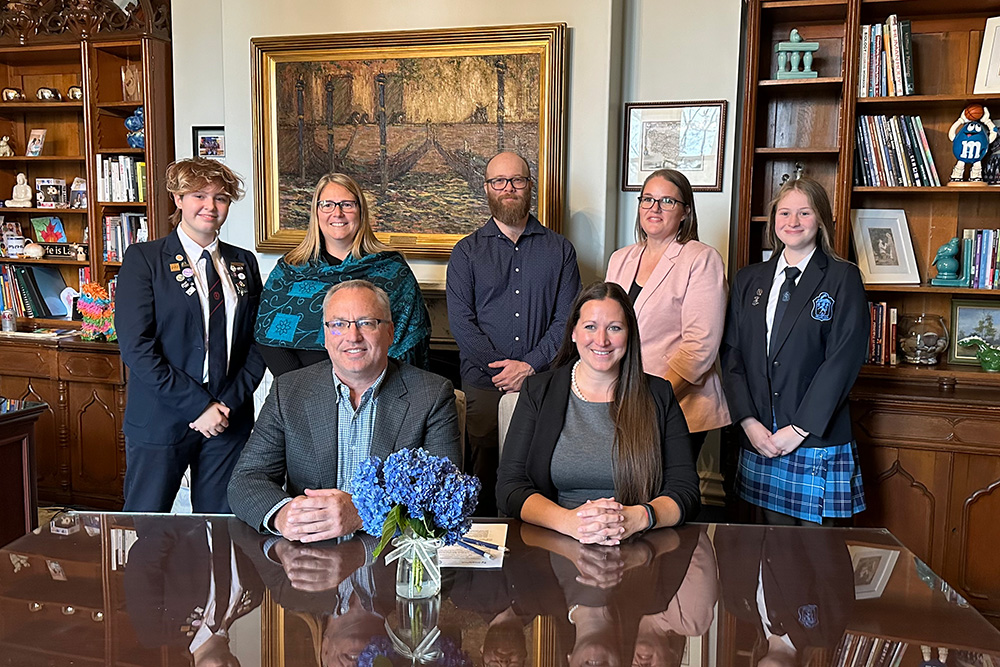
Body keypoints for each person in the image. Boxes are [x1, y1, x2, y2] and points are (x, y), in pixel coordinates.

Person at [229, 280, 462, 541]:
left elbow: (445, 494)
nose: (353, 337)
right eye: (339, 324)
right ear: (326, 336)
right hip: (310, 552)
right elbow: (247, 479)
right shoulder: (290, 390)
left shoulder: (431, 394)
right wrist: (283, 515)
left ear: (390, 333)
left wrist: (362, 513)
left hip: (391, 555)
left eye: (367, 322)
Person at [496, 281, 700, 544]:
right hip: (556, 542)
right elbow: (509, 486)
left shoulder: (658, 394)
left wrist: (638, 518)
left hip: (638, 543)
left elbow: (685, 490)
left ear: (629, 334)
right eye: (590, 327)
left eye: (614, 328)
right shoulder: (538, 391)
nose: (601, 340)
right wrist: (570, 522)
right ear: (573, 332)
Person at [116, 158, 265, 513]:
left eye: (221, 198)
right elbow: (137, 348)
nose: (210, 207)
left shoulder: (243, 262)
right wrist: (199, 406)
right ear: (178, 198)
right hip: (160, 419)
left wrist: (226, 404)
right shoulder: (144, 260)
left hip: (227, 422)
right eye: (199, 195)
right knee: (146, 532)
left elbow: (259, 342)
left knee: (225, 528)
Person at [720, 177, 869, 525]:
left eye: (804, 212)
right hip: (761, 436)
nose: (793, 222)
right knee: (765, 552)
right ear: (774, 220)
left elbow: (843, 359)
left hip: (815, 435)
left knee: (816, 561)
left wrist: (799, 429)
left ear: (821, 220)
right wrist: (748, 422)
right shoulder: (748, 279)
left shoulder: (843, 277)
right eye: (784, 213)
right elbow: (732, 355)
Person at [447, 151, 581, 515]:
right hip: (483, 383)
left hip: (543, 382)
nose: (508, 188)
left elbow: (566, 321)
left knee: (539, 470)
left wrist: (530, 367)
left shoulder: (560, 251)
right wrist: (504, 370)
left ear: (529, 186)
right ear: (487, 189)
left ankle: (532, 556)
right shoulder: (466, 253)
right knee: (483, 475)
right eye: (499, 182)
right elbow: (461, 323)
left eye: (517, 180)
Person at [606, 169, 730, 460]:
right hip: (622, 399)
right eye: (647, 199)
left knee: (664, 496)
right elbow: (607, 328)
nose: (654, 208)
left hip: (677, 404)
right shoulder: (620, 259)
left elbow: (700, 346)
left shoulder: (701, 258)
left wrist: (652, 402)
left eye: (667, 201)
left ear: (685, 211)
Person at [255, 172, 430, 377]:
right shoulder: (289, 269)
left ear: (361, 212)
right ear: (316, 212)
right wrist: (303, 389)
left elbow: (408, 343)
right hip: (303, 391)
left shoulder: (393, 270)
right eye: (327, 204)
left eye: (347, 204)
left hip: (376, 391)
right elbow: (267, 338)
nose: (337, 213)